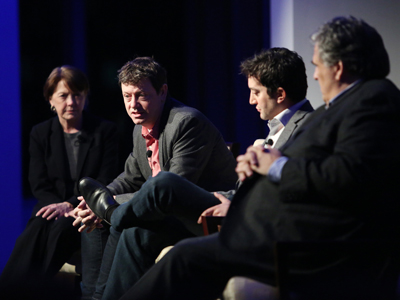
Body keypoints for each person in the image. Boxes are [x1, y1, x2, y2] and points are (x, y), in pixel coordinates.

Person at [117, 16, 400, 300]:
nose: (315, 76)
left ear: (337, 68)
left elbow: (348, 176)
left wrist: (275, 165)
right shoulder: (345, 106)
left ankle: (112, 216)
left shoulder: (373, 101)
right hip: (265, 230)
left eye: (317, 66)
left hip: (303, 243)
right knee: (162, 244)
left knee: (183, 254)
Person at [78, 47, 314, 300]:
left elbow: (300, 191)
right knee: (135, 233)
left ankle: (112, 213)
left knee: (165, 184)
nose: (250, 100)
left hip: (234, 219)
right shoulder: (275, 130)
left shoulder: (309, 127)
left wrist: (235, 202)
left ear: (279, 94)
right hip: (226, 208)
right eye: (127, 96)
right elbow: (130, 176)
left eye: (255, 92)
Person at [73, 57, 238, 299]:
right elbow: (131, 177)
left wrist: (110, 203)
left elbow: (173, 188)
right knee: (94, 220)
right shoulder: (139, 128)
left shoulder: (186, 123)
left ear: (162, 92)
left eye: (141, 95)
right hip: (167, 216)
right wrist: (102, 197)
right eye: (127, 96)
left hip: (201, 217)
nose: (133, 105)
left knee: (128, 225)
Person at [0, 66, 119, 300]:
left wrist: (70, 204)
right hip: (51, 206)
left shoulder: (105, 132)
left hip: (86, 209)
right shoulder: (40, 133)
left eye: (78, 95)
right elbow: (39, 184)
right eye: (63, 96)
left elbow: (106, 179)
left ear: (86, 97)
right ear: (50, 100)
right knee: (35, 228)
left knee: (63, 228)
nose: (71, 102)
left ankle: (27, 292)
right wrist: (59, 206)